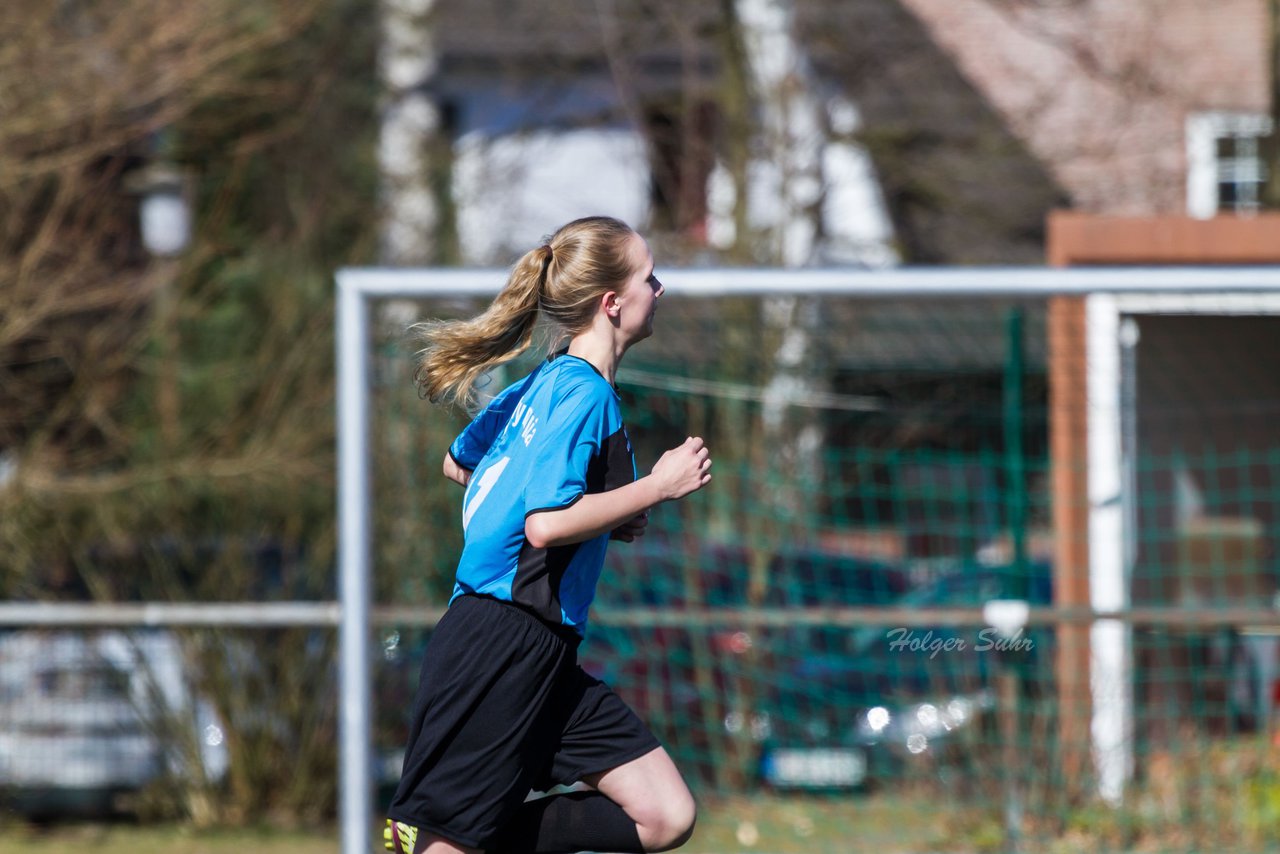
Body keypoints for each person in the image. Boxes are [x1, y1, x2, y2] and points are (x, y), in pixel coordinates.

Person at [386, 216, 712, 854]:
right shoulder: (585, 393)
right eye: (652, 277)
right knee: (442, 838)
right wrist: (656, 486)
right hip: (499, 643)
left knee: (664, 813)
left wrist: (607, 513)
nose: (661, 290)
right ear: (612, 303)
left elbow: (461, 462)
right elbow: (544, 524)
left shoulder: (543, 382)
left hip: (545, 652)